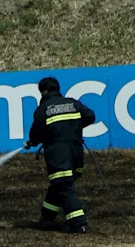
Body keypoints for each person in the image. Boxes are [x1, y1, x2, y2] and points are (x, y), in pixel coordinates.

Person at [24, 76, 96, 234]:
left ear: (44, 91)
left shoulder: (43, 110)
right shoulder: (73, 103)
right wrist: (72, 128)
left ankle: (79, 224)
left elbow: (35, 134)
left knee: (64, 187)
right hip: (76, 153)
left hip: (58, 154)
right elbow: (90, 116)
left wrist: (32, 142)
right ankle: (47, 217)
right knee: (59, 185)